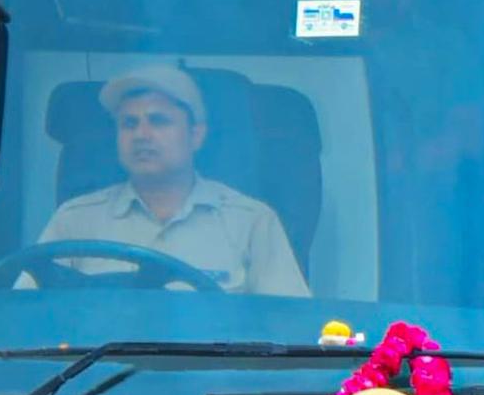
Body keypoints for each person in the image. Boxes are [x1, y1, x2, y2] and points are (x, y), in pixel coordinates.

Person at [36, 60, 312, 293]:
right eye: (129, 124)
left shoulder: (251, 220)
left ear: (196, 135)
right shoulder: (74, 220)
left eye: (158, 121)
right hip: (95, 359)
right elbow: (25, 316)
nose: (141, 135)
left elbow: (289, 326)